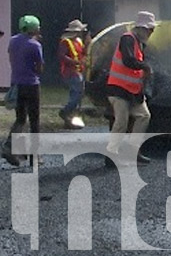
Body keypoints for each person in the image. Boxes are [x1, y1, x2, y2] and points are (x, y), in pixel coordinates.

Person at [104, 11, 157, 168]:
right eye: (150, 29)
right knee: (121, 122)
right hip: (118, 89)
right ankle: (111, 155)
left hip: (132, 90)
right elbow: (128, 61)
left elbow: (135, 70)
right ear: (141, 28)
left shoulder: (139, 43)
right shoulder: (127, 38)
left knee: (144, 116)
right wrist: (145, 66)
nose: (151, 32)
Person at [1, 15, 44, 167]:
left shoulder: (13, 41)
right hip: (31, 85)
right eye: (38, 26)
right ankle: (35, 156)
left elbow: (11, 59)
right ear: (33, 28)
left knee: (20, 118)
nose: (39, 29)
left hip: (16, 83)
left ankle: (9, 147)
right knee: (34, 121)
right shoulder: (35, 45)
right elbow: (39, 68)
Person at [57, 18, 91, 128]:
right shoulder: (65, 42)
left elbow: (83, 53)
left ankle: (69, 119)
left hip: (78, 71)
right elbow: (62, 56)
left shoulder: (78, 41)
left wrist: (88, 44)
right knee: (77, 94)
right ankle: (66, 111)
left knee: (78, 94)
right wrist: (75, 61)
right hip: (70, 72)